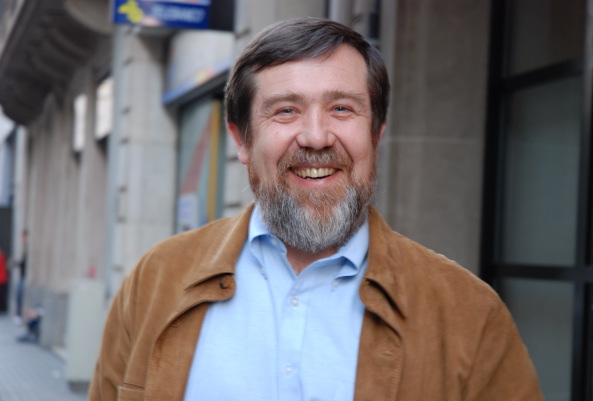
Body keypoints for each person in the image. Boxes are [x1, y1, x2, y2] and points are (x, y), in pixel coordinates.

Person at [89, 17, 544, 401]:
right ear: (242, 140)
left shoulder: (470, 315)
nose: (316, 137)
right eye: (286, 111)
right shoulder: (155, 282)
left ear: (376, 135)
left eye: (342, 109)